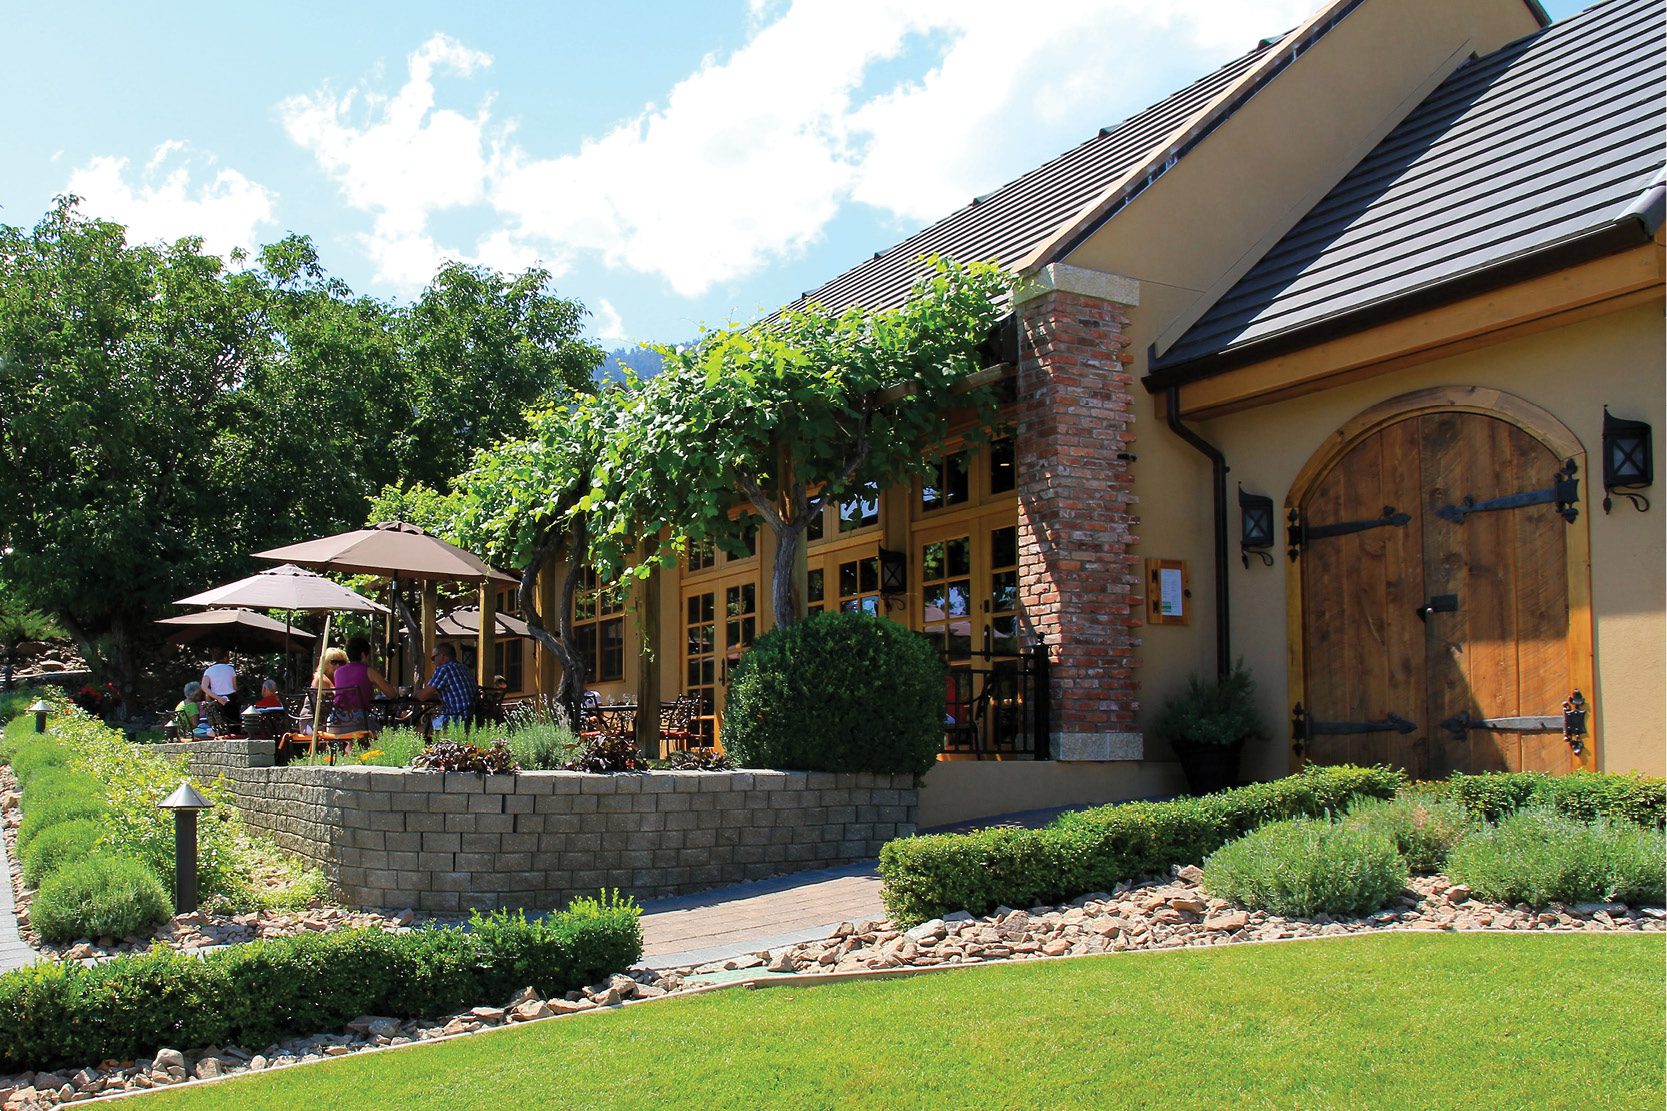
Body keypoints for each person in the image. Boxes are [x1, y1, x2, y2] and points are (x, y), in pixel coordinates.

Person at [329, 636, 398, 733]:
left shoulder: (338, 672)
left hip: (336, 721)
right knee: (384, 730)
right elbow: (392, 694)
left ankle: (349, 748)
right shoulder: (369, 671)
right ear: (363, 654)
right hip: (359, 723)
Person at [417, 642, 478, 729]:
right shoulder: (464, 668)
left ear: (442, 656)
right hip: (474, 715)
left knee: (419, 729)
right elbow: (455, 692)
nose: (433, 661)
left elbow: (422, 696)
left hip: (457, 717)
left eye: (433, 658)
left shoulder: (444, 669)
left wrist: (413, 694)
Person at [200, 648, 241, 726]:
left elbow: (204, 687)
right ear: (225, 657)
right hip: (231, 698)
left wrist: (218, 698)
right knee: (234, 723)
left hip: (215, 698)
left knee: (220, 723)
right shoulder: (231, 669)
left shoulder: (209, 670)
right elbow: (234, 687)